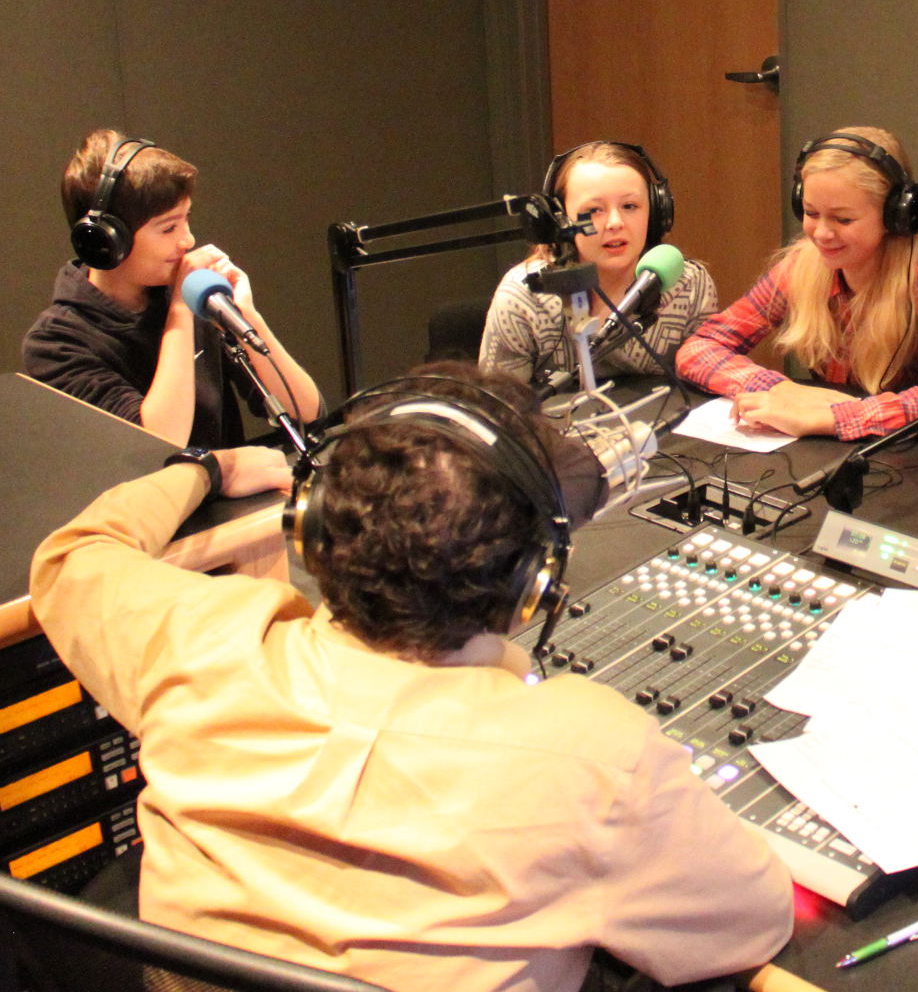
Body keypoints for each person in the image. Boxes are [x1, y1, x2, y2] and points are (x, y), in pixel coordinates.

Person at [29, 365, 794, 992]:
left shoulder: (191, 637)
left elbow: (72, 555)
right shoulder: (598, 757)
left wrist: (206, 467)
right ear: (532, 585)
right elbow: (750, 923)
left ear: (311, 523)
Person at [22, 129, 322, 448]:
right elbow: (158, 448)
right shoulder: (55, 345)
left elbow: (306, 412)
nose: (188, 240)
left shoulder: (196, 299)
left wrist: (247, 314)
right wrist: (181, 308)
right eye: (168, 228)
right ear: (107, 241)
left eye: (186, 220)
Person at [677, 127, 918, 439]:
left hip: (905, 463)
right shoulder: (802, 263)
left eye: (843, 219)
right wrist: (780, 389)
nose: (821, 234)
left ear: (895, 215)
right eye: (811, 213)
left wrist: (825, 419)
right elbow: (700, 348)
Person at [481, 140, 717, 388]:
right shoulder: (524, 295)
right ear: (560, 221)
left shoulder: (687, 284)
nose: (615, 222)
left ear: (656, 212)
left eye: (630, 206)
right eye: (594, 210)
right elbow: (498, 409)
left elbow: (706, 390)